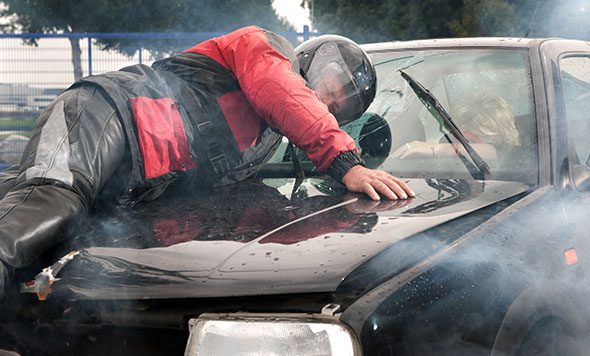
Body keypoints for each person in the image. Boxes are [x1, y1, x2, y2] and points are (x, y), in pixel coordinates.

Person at [0, 26, 414, 299]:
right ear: (309, 62)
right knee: (52, 200)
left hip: (131, 179)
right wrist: (346, 163)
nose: (325, 102)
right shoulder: (265, 47)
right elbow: (285, 93)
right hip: (105, 115)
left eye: (338, 107)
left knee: (53, 224)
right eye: (329, 87)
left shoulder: (261, 142)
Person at [392, 92, 520, 160]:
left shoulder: (517, 158)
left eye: (473, 139)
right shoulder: (447, 142)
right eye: (459, 136)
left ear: (500, 136)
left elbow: (493, 152)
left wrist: (436, 149)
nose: (465, 143)